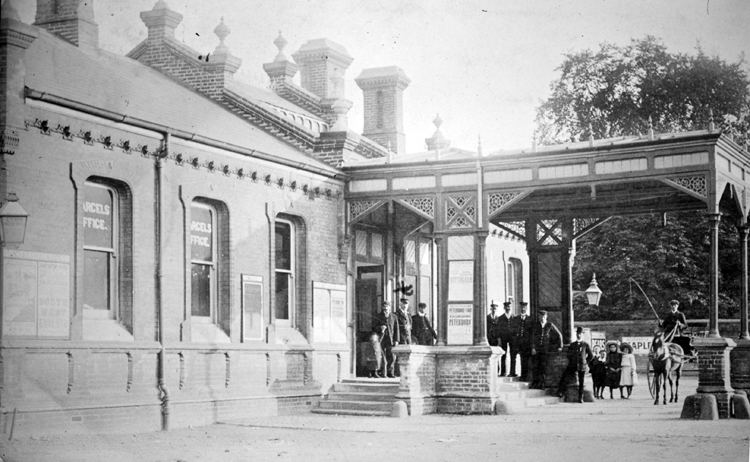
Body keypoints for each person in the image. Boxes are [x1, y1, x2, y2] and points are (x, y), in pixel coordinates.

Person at [556, 326, 594, 403]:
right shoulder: (572, 345)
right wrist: (572, 360)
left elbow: (591, 355)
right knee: (565, 376)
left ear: (582, 334)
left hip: (581, 365)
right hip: (572, 365)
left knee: (581, 382)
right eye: (578, 334)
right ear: (576, 334)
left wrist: (585, 362)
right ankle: (560, 392)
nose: (579, 335)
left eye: (580, 334)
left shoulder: (585, 344)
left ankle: (580, 397)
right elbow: (568, 354)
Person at [530, 310, 563, 389]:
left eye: (544, 316)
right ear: (539, 317)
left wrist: (560, 346)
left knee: (543, 367)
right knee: (535, 366)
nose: (542, 318)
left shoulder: (550, 325)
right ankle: (535, 383)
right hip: (536, 349)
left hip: (545, 349)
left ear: (546, 317)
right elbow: (532, 337)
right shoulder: (536, 325)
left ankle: (542, 384)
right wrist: (533, 348)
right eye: (541, 316)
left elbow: (559, 335)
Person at [372, 301, 400, 378]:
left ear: (390, 307)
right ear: (382, 307)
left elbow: (396, 329)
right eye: (384, 306)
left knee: (391, 356)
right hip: (381, 339)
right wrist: (380, 328)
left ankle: (390, 372)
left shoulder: (394, 316)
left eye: (387, 306)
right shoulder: (378, 316)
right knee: (381, 356)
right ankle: (382, 373)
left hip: (390, 339)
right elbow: (373, 327)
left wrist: (396, 340)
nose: (386, 308)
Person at [510, 302, 533, 380]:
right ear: (520, 308)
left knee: (524, 359)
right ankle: (512, 372)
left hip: (525, 343)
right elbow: (512, 331)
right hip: (517, 342)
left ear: (526, 308)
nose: (523, 309)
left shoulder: (530, 319)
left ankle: (523, 376)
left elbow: (531, 332)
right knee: (513, 357)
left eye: (524, 307)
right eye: (522, 307)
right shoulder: (515, 318)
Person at [498, 302, 514, 376]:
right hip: (503, 338)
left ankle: (512, 372)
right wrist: (499, 339)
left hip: (512, 338)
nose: (508, 308)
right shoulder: (500, 318)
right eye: (506, 306)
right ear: (504, 308)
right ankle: (503, 372)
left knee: (512, 355)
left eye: (509, 306)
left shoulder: (514, 317)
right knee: (503, 354)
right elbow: (498, 329)